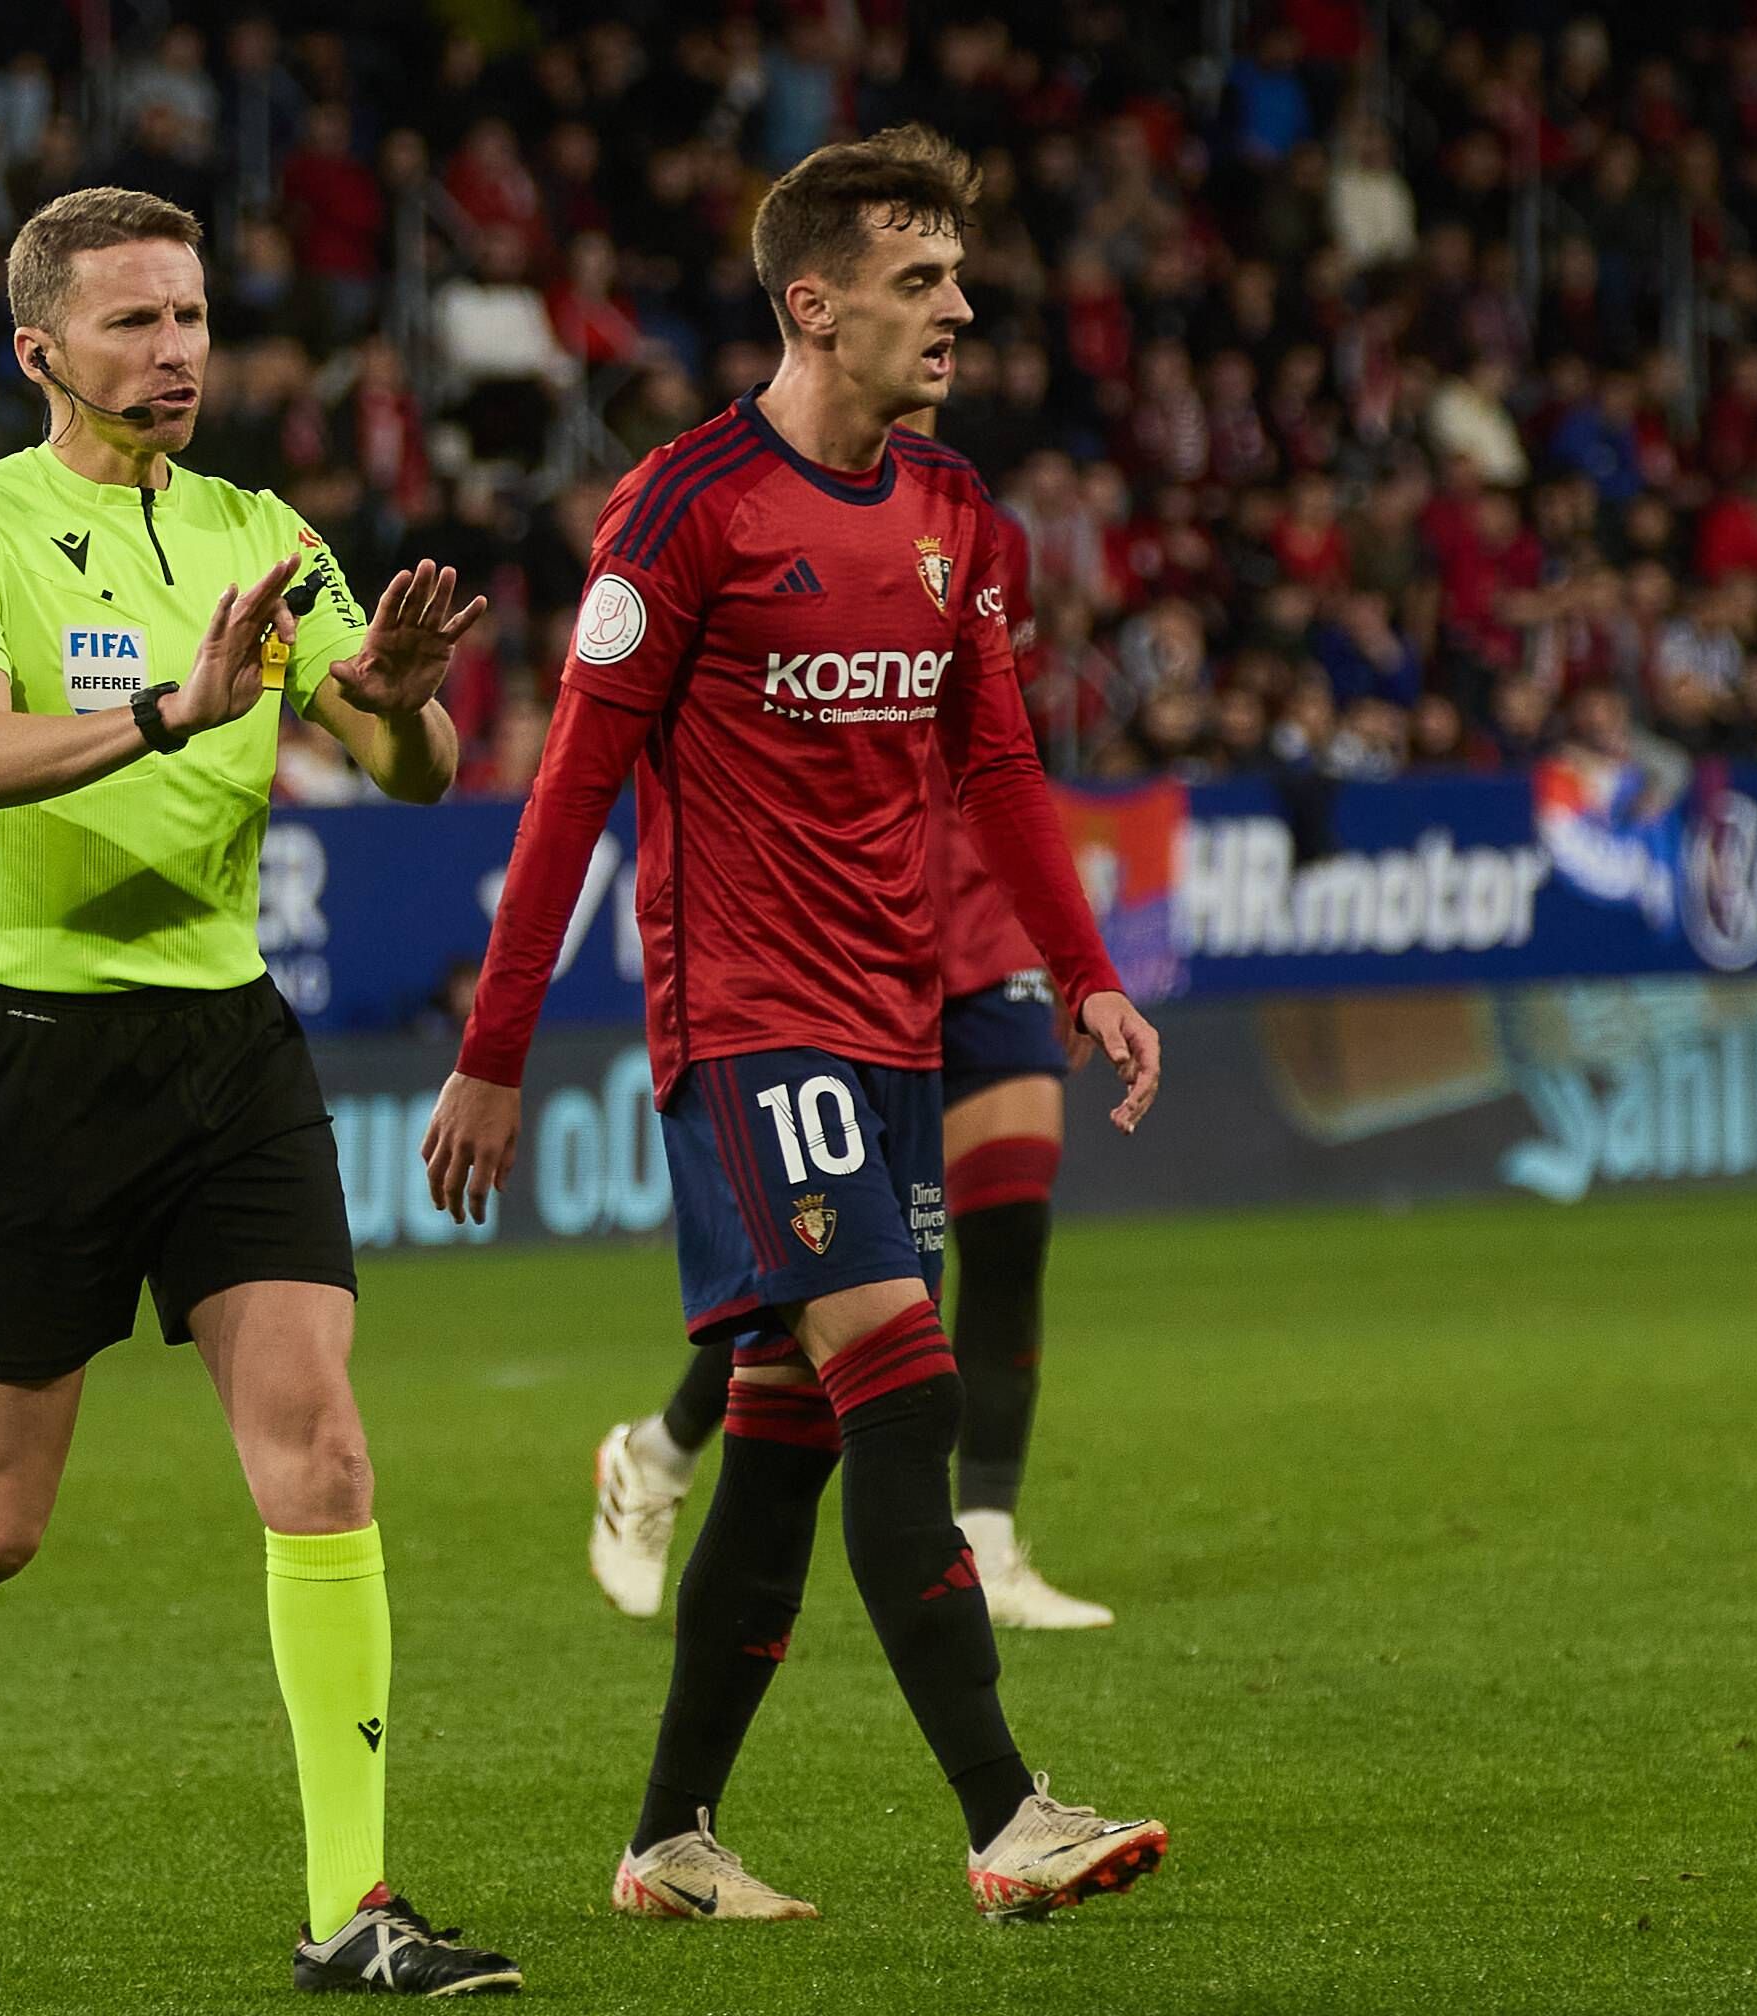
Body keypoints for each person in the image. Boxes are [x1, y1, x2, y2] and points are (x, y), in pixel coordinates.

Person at [0, 186, 520, 2000]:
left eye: (189, 319)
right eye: (131, 325)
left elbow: (412, 767)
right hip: (25, 1054)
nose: (174, 354)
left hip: (222, 1048)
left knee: (317, 1451)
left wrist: (391, 699)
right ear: (38, 354)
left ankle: (352, 1909)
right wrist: (175, 708)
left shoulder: (260, 530)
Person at [419, 127, 1169, 1929]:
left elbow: (991, 759)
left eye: (959, 281)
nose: (959, 311)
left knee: (783, 1430)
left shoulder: (952, 518)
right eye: (920, 284)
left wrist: (1081, 971)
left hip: (893, 1030)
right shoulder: (682, 510)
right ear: (810, 305)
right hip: (750, 1027)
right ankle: (1007, 1815)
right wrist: (493, 1046)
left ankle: (666, 1837)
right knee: (897, 1380)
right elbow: (571, 791)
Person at [590, 521, 1117, 1633]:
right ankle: (657, 1453)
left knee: (1011, 1232)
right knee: (854, 1277)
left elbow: (1001, 745)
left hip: (980, 916)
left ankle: (990, 1541)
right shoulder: (755, 510)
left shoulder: (982, 530)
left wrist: (1077, 959)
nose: (949, 336)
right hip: (846, 933)